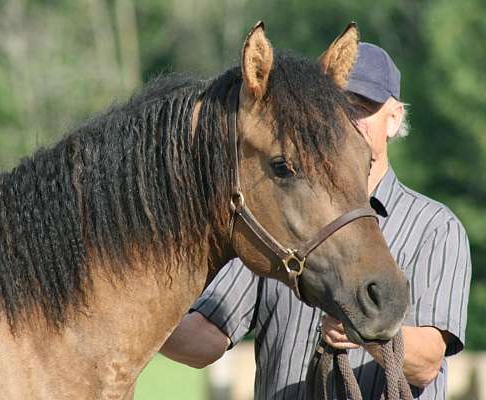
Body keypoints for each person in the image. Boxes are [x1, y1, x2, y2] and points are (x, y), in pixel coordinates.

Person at [160, 43, 471, 399]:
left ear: (395, 118)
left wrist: (364, 328)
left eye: (362, 108)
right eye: (336, 108)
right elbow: (206, 338)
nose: (347, 120)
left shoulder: (435, 227)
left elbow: (427, 362)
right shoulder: (277, 214)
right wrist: (136, 318)